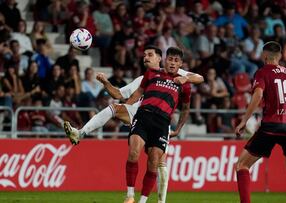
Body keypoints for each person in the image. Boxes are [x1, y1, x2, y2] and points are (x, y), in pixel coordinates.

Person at [63, 46, 203, 203]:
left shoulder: (179, 74)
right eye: (144, 55)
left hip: (162, 118)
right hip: (141, 113)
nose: (146, 58)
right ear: (165, 60)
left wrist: (186, 79)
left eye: (150, 55)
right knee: (116, 110)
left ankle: (160, 201)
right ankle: (80, 133)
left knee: (158, 162)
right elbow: (118, 94)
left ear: (159, 58)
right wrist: (106, 82)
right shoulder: (144, 78)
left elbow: (199, 78)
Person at [235, 41, 286, 203]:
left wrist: (244, 120)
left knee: (242, 165)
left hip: (272, 125)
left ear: (265, 56)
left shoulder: (262, 72)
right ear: (279, 56)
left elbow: (257, 96)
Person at [123, 47, 191, 203]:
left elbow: (186, 108)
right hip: (143, 115)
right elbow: (138, 93)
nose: (172, 63)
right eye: (170, 59)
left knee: (154, 162)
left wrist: (179, 128)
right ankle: (130, 195)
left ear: (180, 64)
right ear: (165, 60)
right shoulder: (152, 73)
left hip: (162, 122)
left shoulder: (185, 84)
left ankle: (142, 201)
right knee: (133, 152)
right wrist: (125, 108)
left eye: (176, 60)